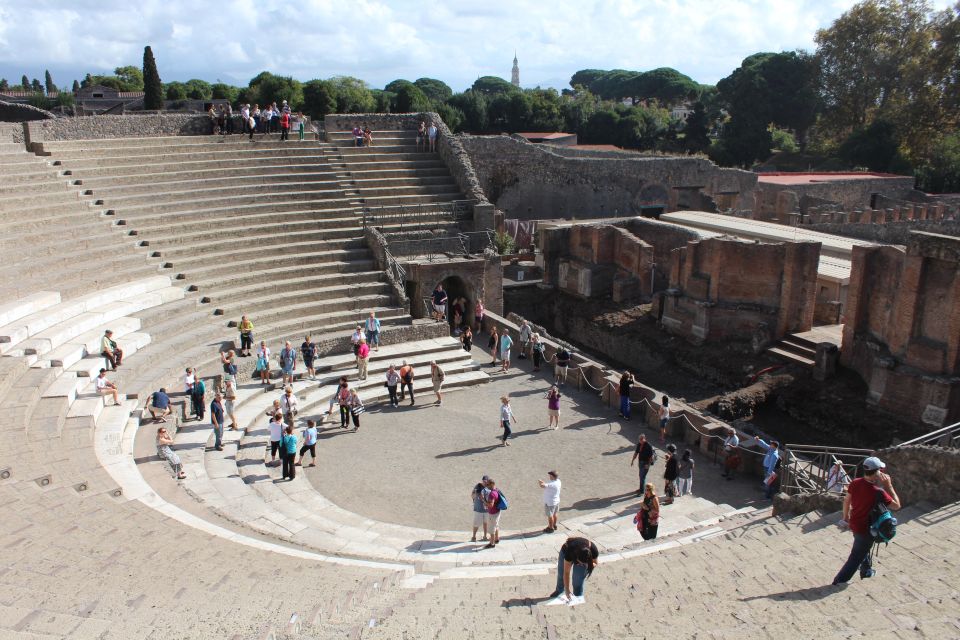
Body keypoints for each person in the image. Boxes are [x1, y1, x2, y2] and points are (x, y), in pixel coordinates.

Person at [833, 456, 900, 584]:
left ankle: (866, 570)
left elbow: (847, 500)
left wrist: (845, 517)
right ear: (876, 472)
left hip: (855, 523)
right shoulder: (878, 492)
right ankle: (838, 582)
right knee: (855, 557)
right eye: (880, 470)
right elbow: (897, 506)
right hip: (866, 529)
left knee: (862, 547)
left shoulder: (855, 482)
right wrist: (889, 486)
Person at [549, 537, 599, 604]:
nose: (581, 564)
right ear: (577, 557)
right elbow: (566, 572)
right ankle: (559, 590)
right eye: (580, 562)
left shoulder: (593, 550)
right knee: (561, 574)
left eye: (583, 563)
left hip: (582, 557)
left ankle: (578, 597)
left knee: (578, 580)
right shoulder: (570, 551)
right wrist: (567, 590)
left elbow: (595, 563)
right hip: (565, 551)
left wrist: (587, 565)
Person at [483, 478, 502, 548]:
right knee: (496, 526)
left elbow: (491, 505)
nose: (487, 486)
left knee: (491, 529)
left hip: (493, 513)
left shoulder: (492, 494)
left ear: (492, 484)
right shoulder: (497, 490)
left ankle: (492, 543)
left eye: (488, 484)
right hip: (498, 511)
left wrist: (485, 502)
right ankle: (497, 539)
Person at [470, 475, 490, 542]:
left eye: (486, 481)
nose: (485, 482)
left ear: (488, 481)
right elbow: (472, 496)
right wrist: (475, 493)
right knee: (476, 524)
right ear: (482, 480)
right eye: (483, 481)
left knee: (486, 523)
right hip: (478, 509)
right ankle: (473, 537)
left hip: (487, 510)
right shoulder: (477, 486)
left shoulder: (489, 487)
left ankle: (485, 536)